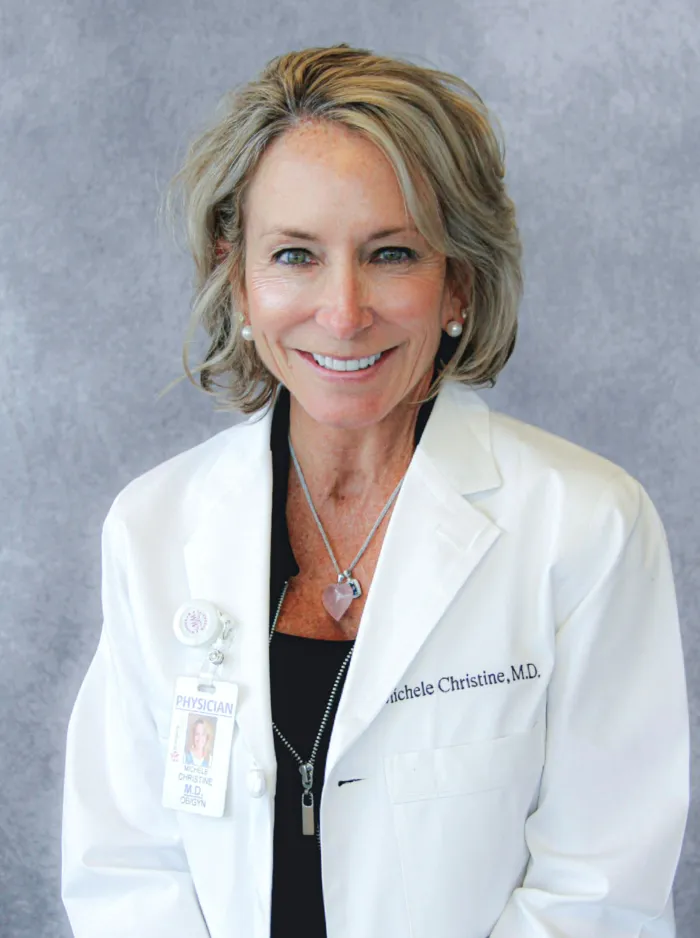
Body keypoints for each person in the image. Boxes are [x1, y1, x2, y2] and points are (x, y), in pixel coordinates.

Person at [61, 43, 689, 938]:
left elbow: (598, 894)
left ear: (458, 284)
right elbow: (125, 868)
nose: (345, 311)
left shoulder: (586, 527)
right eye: (295, 256)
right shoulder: (153, 526)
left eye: (392, 253)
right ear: (237, 276)